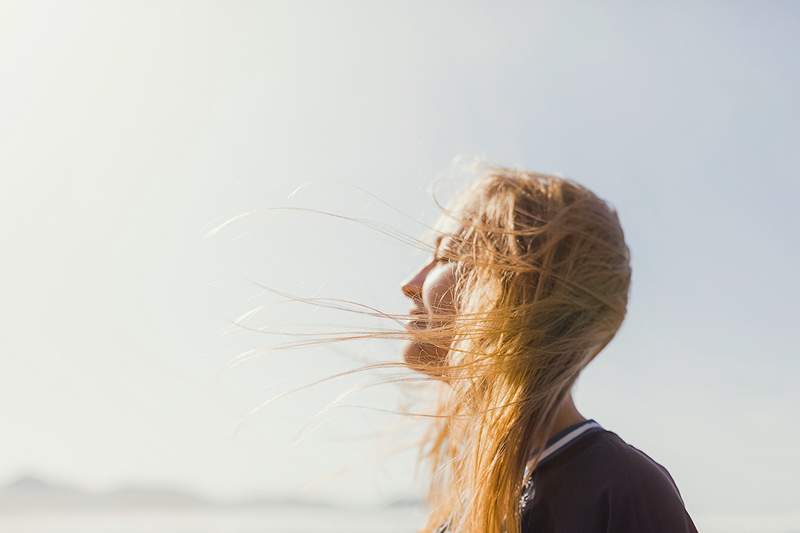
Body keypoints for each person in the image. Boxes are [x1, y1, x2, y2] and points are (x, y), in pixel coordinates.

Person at [398, 164, 699, 533]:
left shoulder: (622, 491)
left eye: (448, 256)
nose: (410, 284)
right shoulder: (473, 498)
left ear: (519, 290)